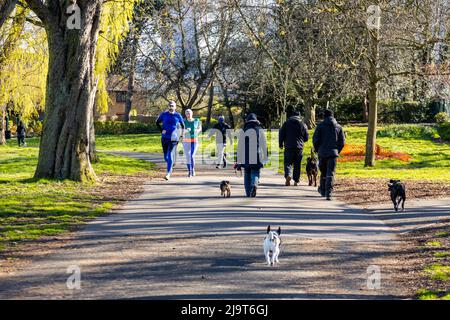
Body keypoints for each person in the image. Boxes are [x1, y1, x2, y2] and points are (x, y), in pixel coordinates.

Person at [312, 110, 345, 201]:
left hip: (322, 152)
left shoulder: (320, 126)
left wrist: (317, 149)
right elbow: (342, 142)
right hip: (333, 153)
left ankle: (322, 190)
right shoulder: (338, 127)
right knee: (330, 173)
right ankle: (329, 192)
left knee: (323, 172)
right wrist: (337, 150)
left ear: (324, 116)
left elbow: (315, 139)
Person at [236, 113, 268, 197]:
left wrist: (238, 159)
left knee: (247, 173)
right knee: (255, 171)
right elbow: (264, 144)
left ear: (247, 120)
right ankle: (254, 185)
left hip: (245, 155)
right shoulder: (260, 129)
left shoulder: (244, 130)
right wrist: (265, 156)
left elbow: (240, 146)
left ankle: (248, 192)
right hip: (257, 155)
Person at [156, 101, 185, 180]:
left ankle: (168, 173)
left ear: (175, 107)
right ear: (168, 106)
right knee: (166, 156)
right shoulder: (164, 114)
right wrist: (161, 130)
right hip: (165, 137)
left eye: (172, 106)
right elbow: (157, 122)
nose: (171, 107)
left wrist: (182, 135)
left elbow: (183, 126)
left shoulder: (178, 115)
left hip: (174, 138)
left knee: (169, 153)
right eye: (170, 106)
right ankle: (171, 163)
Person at [279, 110, 309, 186]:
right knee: (297, 164)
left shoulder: (286, 124)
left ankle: (288, 175)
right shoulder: (303, 125)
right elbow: (306, 137)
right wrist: (302, 141)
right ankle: (296, 180)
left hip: (288, 146)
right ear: (299, 116)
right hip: (299, 148)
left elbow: (281, 134)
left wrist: (281, 144)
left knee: (287, 163)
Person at [183, 109, 202, 177]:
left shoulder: (197, 120)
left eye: (189, 113)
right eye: (187, 113)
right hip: (186, 141)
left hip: (194, 141)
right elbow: (180, 130)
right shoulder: (184, 122)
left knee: (192, 155)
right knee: (188, 156)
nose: (188, 114)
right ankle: (189, 171)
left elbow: (200, 128)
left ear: (192, 113)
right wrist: (186, 130)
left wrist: (197, 130)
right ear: (185, 114)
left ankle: (192, 169)